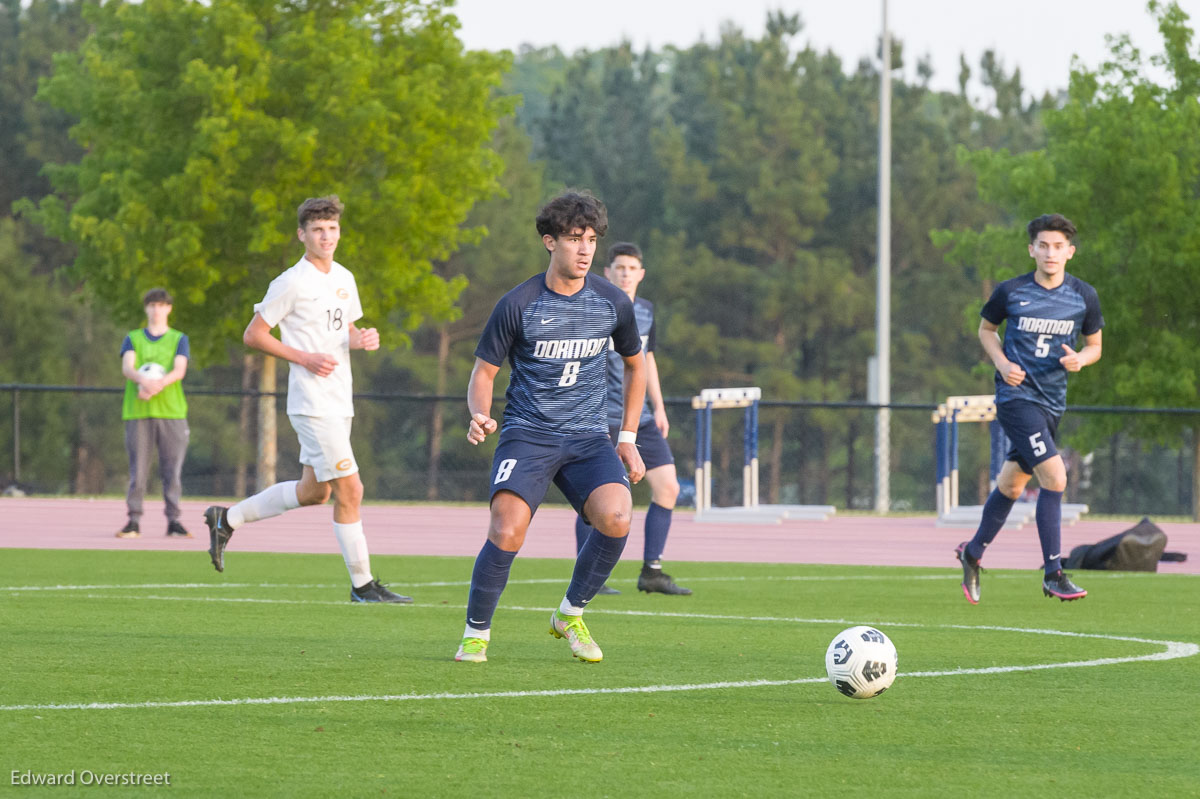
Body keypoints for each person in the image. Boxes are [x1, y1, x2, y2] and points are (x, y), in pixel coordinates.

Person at [455, 190, 647, 664]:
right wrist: (480, 414)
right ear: (549, 242)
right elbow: (483, 372)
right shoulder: (518, 304)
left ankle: (570, 614)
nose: (585, 249)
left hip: (588, 438)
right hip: (528, 432)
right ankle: (475, 633)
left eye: (590, 240)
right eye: (573, 239)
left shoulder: (612, 303)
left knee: (618, 517)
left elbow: (636, 366)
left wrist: (627, 439)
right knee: (507, 530)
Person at [202, 195, 410, 604]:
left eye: (332, 229)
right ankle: (363, 586)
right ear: (302, 235)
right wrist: (303, 358)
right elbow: (253, 334)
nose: (326, 236)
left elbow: (344, 330)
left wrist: (362, 338)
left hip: (338, 401)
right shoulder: (291, 282)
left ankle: (226, 518)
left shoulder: (344, 277)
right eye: (317, 230)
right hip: (312, 404)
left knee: (315, 492)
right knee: (352, 491)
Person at [956, 213, 1103, 604]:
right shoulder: (1011, 291)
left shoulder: (1083, 296)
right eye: (1043, 245)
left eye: (1058, 247)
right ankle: (1053, 573)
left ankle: (971, 554)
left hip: (1053, 402)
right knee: (1055, 478)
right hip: (1017, 400)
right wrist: (1003, 365)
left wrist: (1081, 361)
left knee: (1011, 485)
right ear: (1032, 250)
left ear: (1069, 252)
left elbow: (1095, 345)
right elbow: (986, 330)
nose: (1050, 253)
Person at [574, 242, 690, 596]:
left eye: (631, 268)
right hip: (601, 417)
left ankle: (651, 572)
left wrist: (659, 405)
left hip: (640, 416)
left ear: (641, 274)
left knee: (668, 487)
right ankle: (591, 573)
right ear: (607, 272)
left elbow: (646, 360)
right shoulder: (592, 306)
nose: (625, 273)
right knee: (599, 498)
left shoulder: (645, 311)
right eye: (619, 267)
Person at [116, 288, 191, 539]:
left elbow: (179, 370)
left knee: (172, 471)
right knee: (138, 471)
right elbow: (128, 366)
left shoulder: (179, 338)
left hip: (171, 413)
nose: (156, 310)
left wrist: (155, 385)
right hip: (138, 413)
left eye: (161, 305)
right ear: (146, 308)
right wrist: (142, 380)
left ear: (169, 308)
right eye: (152, 305)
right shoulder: (134, 338)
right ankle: (133, 521)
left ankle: (174, 522)